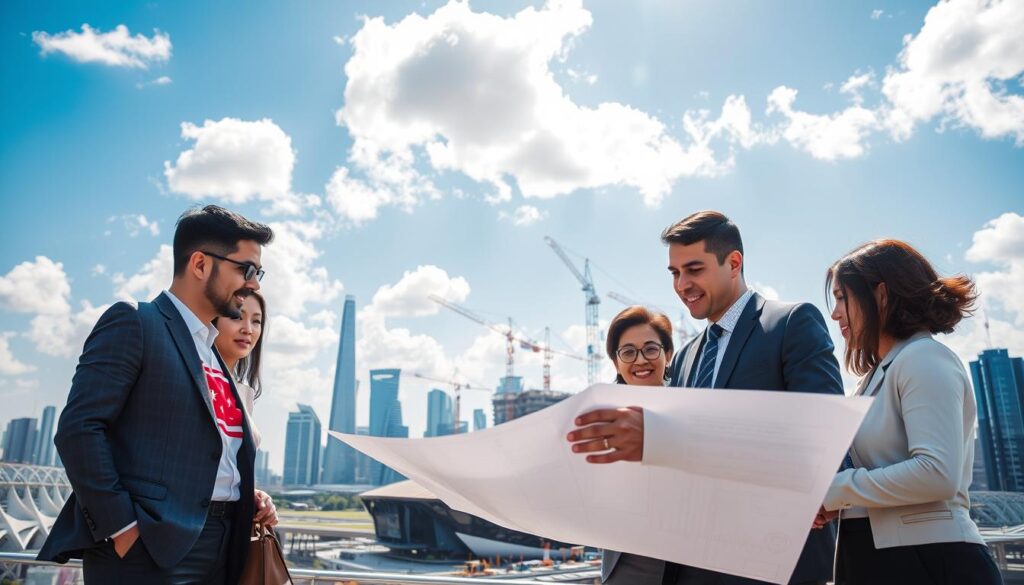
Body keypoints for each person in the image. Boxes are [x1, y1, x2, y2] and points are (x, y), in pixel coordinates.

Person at [567, 210, 844, 585]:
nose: (682, 285)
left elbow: (825, 439)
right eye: (675, 273)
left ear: (733, 263)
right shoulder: (685, 357)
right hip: (697, 566)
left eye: (693, 270)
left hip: (775, 561)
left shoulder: (791, 324)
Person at [38, 205, 274, 584]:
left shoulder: (214, 352)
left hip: (223, 547)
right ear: (200, 264)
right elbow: (79, 429)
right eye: (246, 269)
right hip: (149, 550)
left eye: (258, 273)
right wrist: (123, 530)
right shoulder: (136, 322)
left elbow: (199, 451)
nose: (255, 284)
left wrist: (247, 495)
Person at [811, 239, 1001, 584]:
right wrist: (831, 502)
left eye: (842, 297)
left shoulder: (924, 357)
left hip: (928, 559)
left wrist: (836, 489)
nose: (835, 313)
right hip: (870, 556)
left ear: (881, 294)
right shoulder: (870, 379)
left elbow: (935, 473)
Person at [599, 305, 675, 585]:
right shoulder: (600, 418)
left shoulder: (695, 413)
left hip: (682, 567)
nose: (640, 360)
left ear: (668, 355)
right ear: (616, 362)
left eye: (651, 349)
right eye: (628, 352)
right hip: (622, 566)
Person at [214, 290, 277, 527]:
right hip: (183, 530)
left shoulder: (243, 393)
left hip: (229, 532)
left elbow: (225, 470)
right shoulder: (193, 377)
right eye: (236, 316)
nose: (248, 329)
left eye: (257, 321)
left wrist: (256, 495)